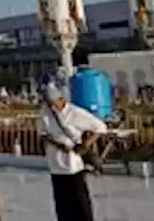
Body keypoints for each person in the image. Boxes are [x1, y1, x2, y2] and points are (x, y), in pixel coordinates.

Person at [39, 85, 106, 221]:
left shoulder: (75, 113)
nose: (52, 108)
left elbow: (100, 127)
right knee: (63, 206)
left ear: (62, 99)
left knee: (80, 203)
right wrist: (58, 144)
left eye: (54, 104)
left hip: (73, 166)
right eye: (49, 104)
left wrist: (85, 144)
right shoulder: (45, 112)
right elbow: (42, 133)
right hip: (55, 165)